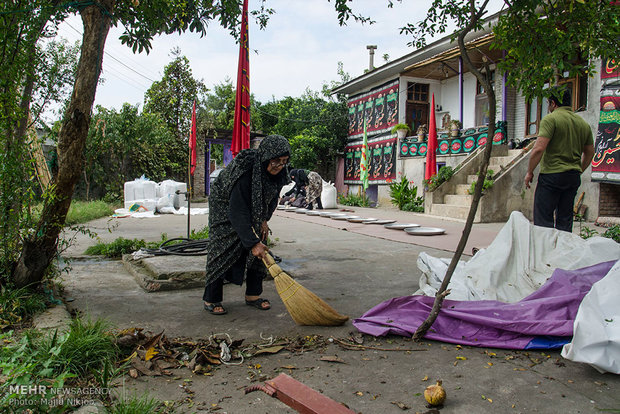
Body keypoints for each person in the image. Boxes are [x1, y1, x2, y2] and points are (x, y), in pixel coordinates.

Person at [202, 135, 291, 315]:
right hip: (226, 205)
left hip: (254, 207)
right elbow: (237, 211)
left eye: (283, 161)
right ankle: (211, 298)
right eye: (275, 161)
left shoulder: (281, 172)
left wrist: (264, 219)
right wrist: (252, 243)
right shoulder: (246, 171)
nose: (279, 166)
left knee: (260, 249)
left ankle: (253, 295)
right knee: (222, 250)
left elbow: (272, 198)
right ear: (266, 156)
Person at [524, 88, 594, 232]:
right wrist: (579, 170)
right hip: (572, 177)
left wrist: (530, 171)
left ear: (553, 103)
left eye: (548, 103)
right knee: (565, 220)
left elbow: (538, 149)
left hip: (552, 176)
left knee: (544, 221)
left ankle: (547, 252)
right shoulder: (583, 123)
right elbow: (590, 152)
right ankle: (563, 252)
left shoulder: (551, 119)